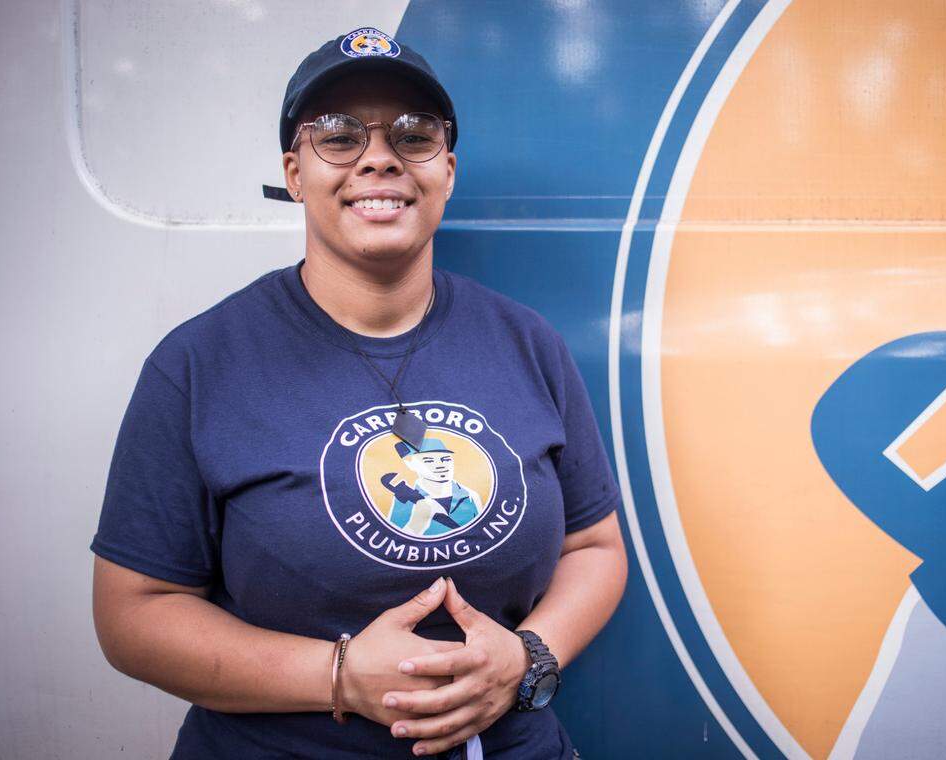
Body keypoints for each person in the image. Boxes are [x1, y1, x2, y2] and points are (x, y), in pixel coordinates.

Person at [90, 25, 627, 760]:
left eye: (414, 134)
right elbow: (133, 615)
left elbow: (595, 547)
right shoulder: (199, 364)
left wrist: (529, 656)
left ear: (446, 169)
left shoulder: (526, 343)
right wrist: (337, 676)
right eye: (338, 135)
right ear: (295, 170)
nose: (379, 156)